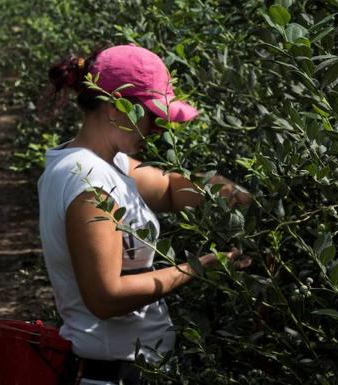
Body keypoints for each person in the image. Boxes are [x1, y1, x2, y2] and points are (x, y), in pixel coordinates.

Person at [37, 44, 252, 385]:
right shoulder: (87, 180)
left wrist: (241, 195)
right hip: (112, 374)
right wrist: (199, 266)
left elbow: (169, 188)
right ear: (113, 108)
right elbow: (106, 298)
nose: (158, 127)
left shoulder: (108, 163)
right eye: (151, 115)